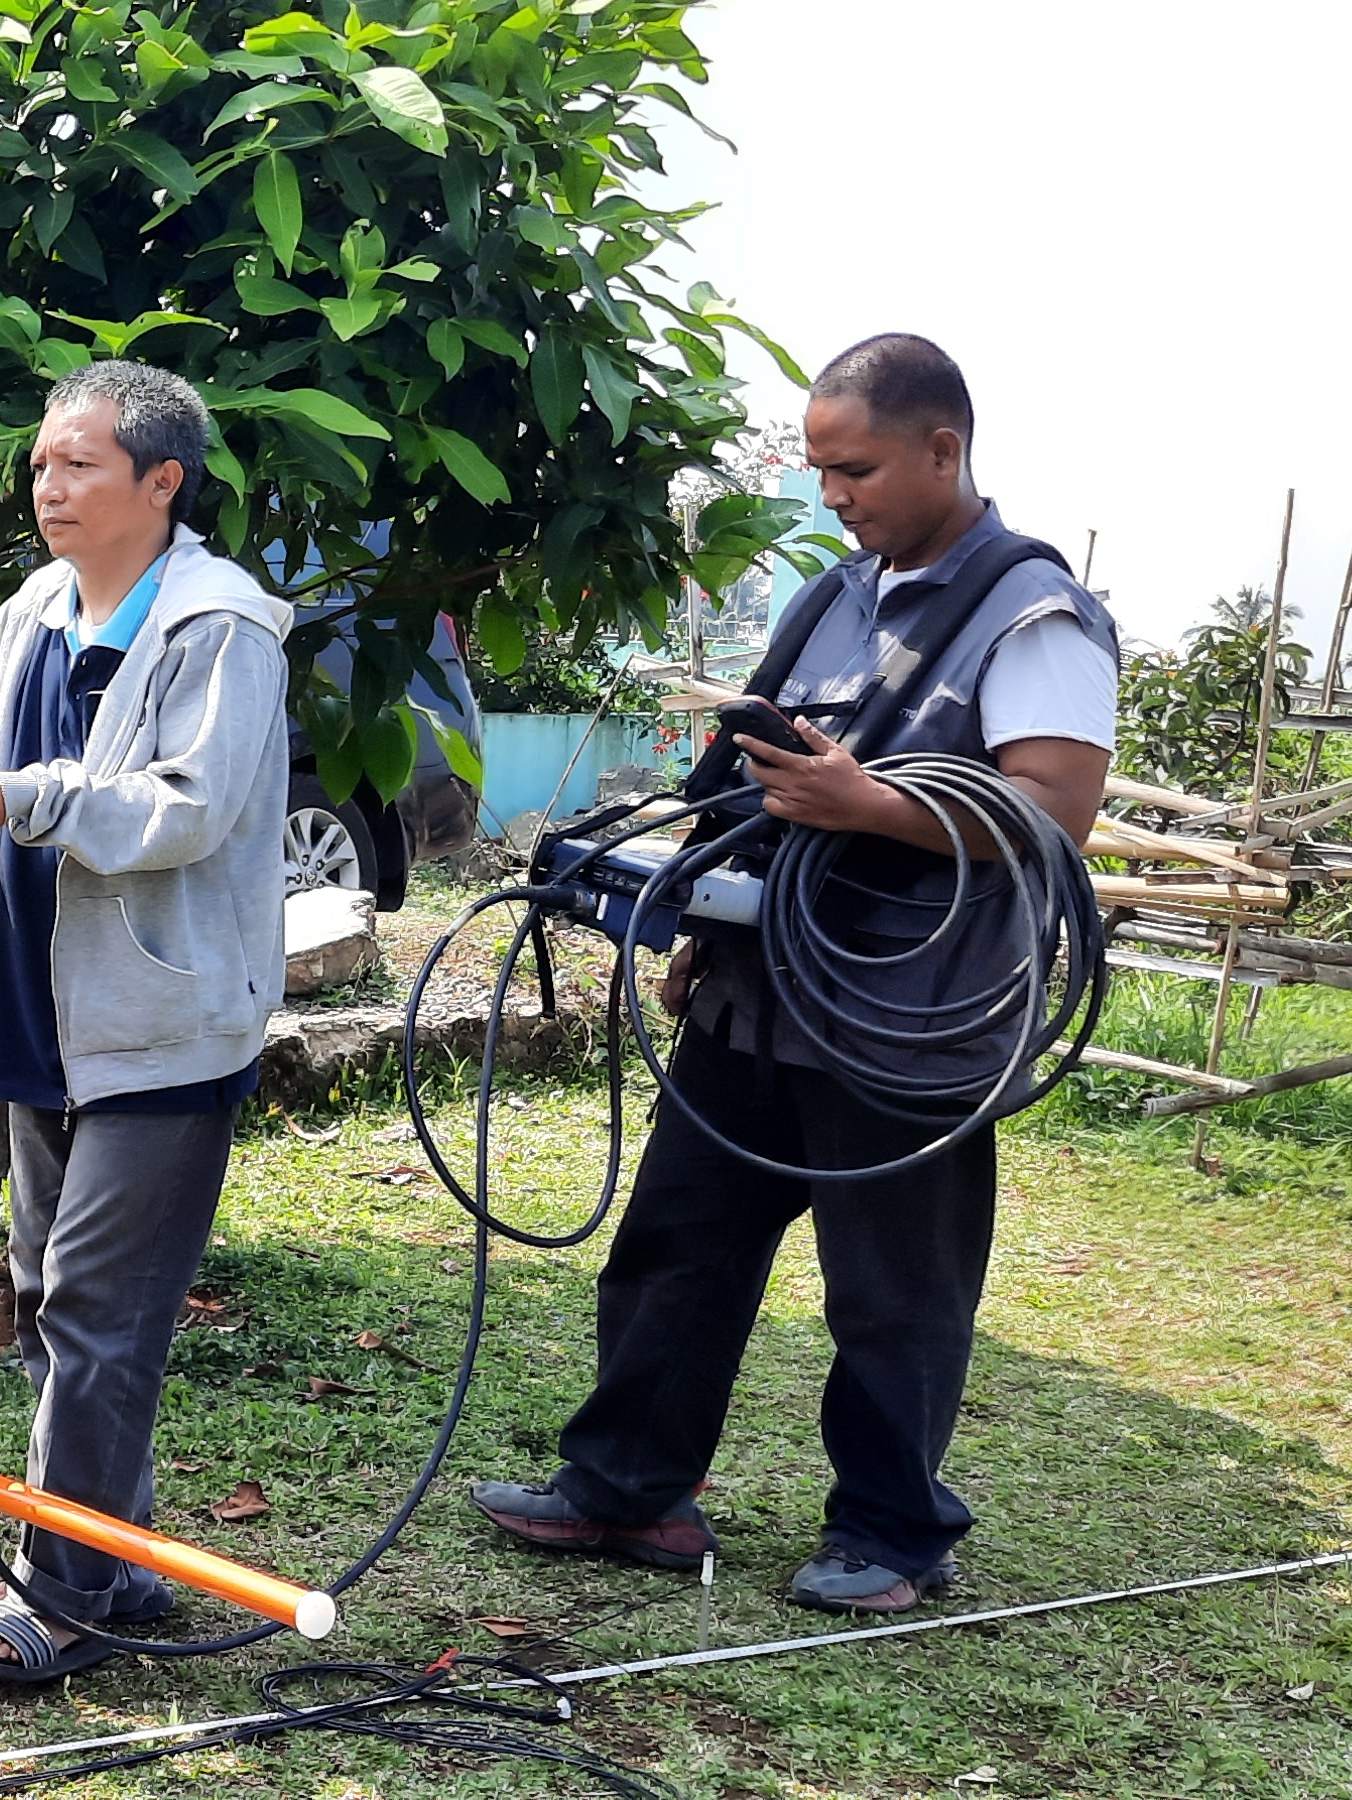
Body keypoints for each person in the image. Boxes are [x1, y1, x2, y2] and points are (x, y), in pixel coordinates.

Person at [473, 333, 1119, 1615]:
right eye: (821, 470)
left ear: (943, 449)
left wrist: (867, 805)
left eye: (856, 470)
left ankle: (890, 1534)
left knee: (893, 1293)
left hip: (908, 1020)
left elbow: (1056, 812)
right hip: (758, 997)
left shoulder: (1035, 613)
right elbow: (747, 787)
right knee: (674, 1246)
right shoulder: (830, 598)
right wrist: (702, 929)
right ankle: (628, 1487)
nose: (834, 495)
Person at [0, 360, 291, 1683]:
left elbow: (185, 809)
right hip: (37, 1010)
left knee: (95, 1305)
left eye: (79, 463)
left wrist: (25, 799)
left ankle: (61, 1597)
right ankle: (117, 1561)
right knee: (42, 1296)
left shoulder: (220, 628)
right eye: (40, 463)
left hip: (163, 1021)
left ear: (162, 481)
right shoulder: (30, 610)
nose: (48, 485)